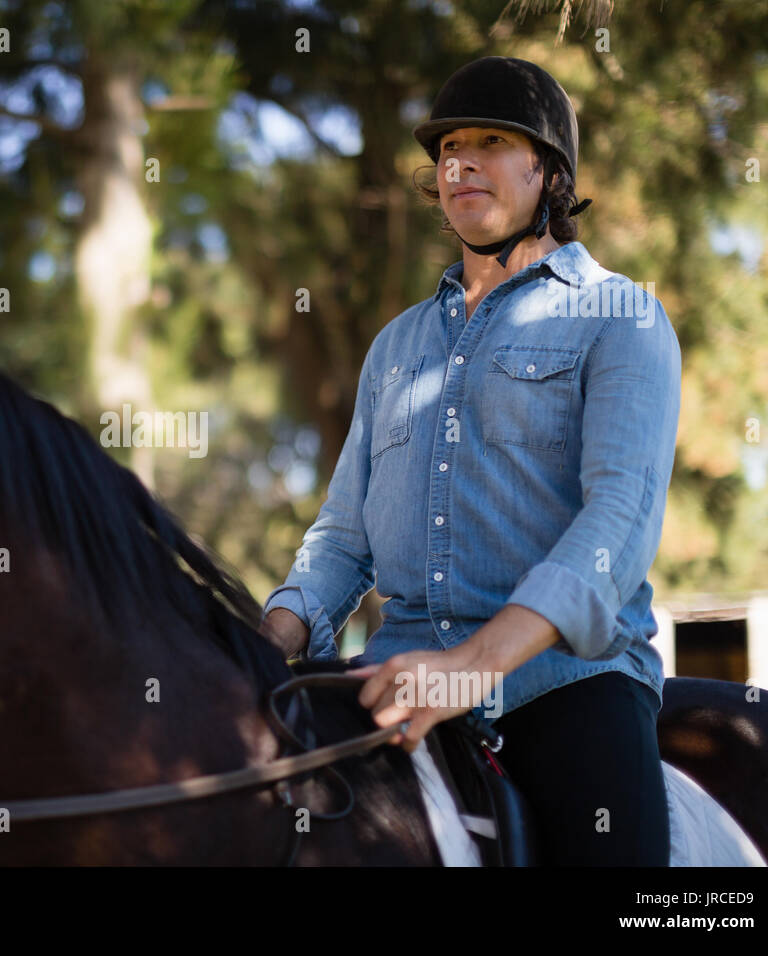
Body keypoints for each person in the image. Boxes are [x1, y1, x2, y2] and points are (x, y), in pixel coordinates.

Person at [259, 56, 680, 866]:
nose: (461, 163)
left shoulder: (620, 315)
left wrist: (469, 668)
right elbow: (345, 538)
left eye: (491, 141)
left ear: (548, 172)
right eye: (450, 147)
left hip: (565, 686)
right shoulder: (395, 348)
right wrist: (265, 634)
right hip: (391, 684)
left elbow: (618, 526)